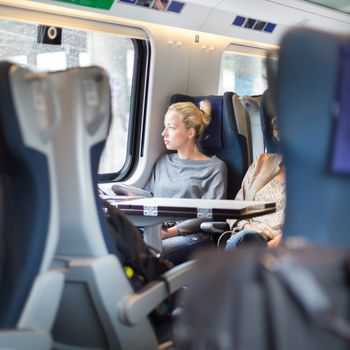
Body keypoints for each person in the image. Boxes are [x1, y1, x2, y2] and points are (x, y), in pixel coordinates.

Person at [144, 100, 227, 240]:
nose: (163, 133)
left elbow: (212, 214)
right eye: (165, 126)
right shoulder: (163, 162)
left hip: (190, 234)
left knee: (148, 251)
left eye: (170, 127)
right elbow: (148, 198)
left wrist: (171, 232)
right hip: (157, 229)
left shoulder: (215, 167)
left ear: (190, 132)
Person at [225, 117, 285, 250]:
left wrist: (275, 244)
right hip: (246, 239)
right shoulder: (262, 162)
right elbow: (235, 209)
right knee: (247, 238)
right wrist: (249, 227)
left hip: (283, 248)